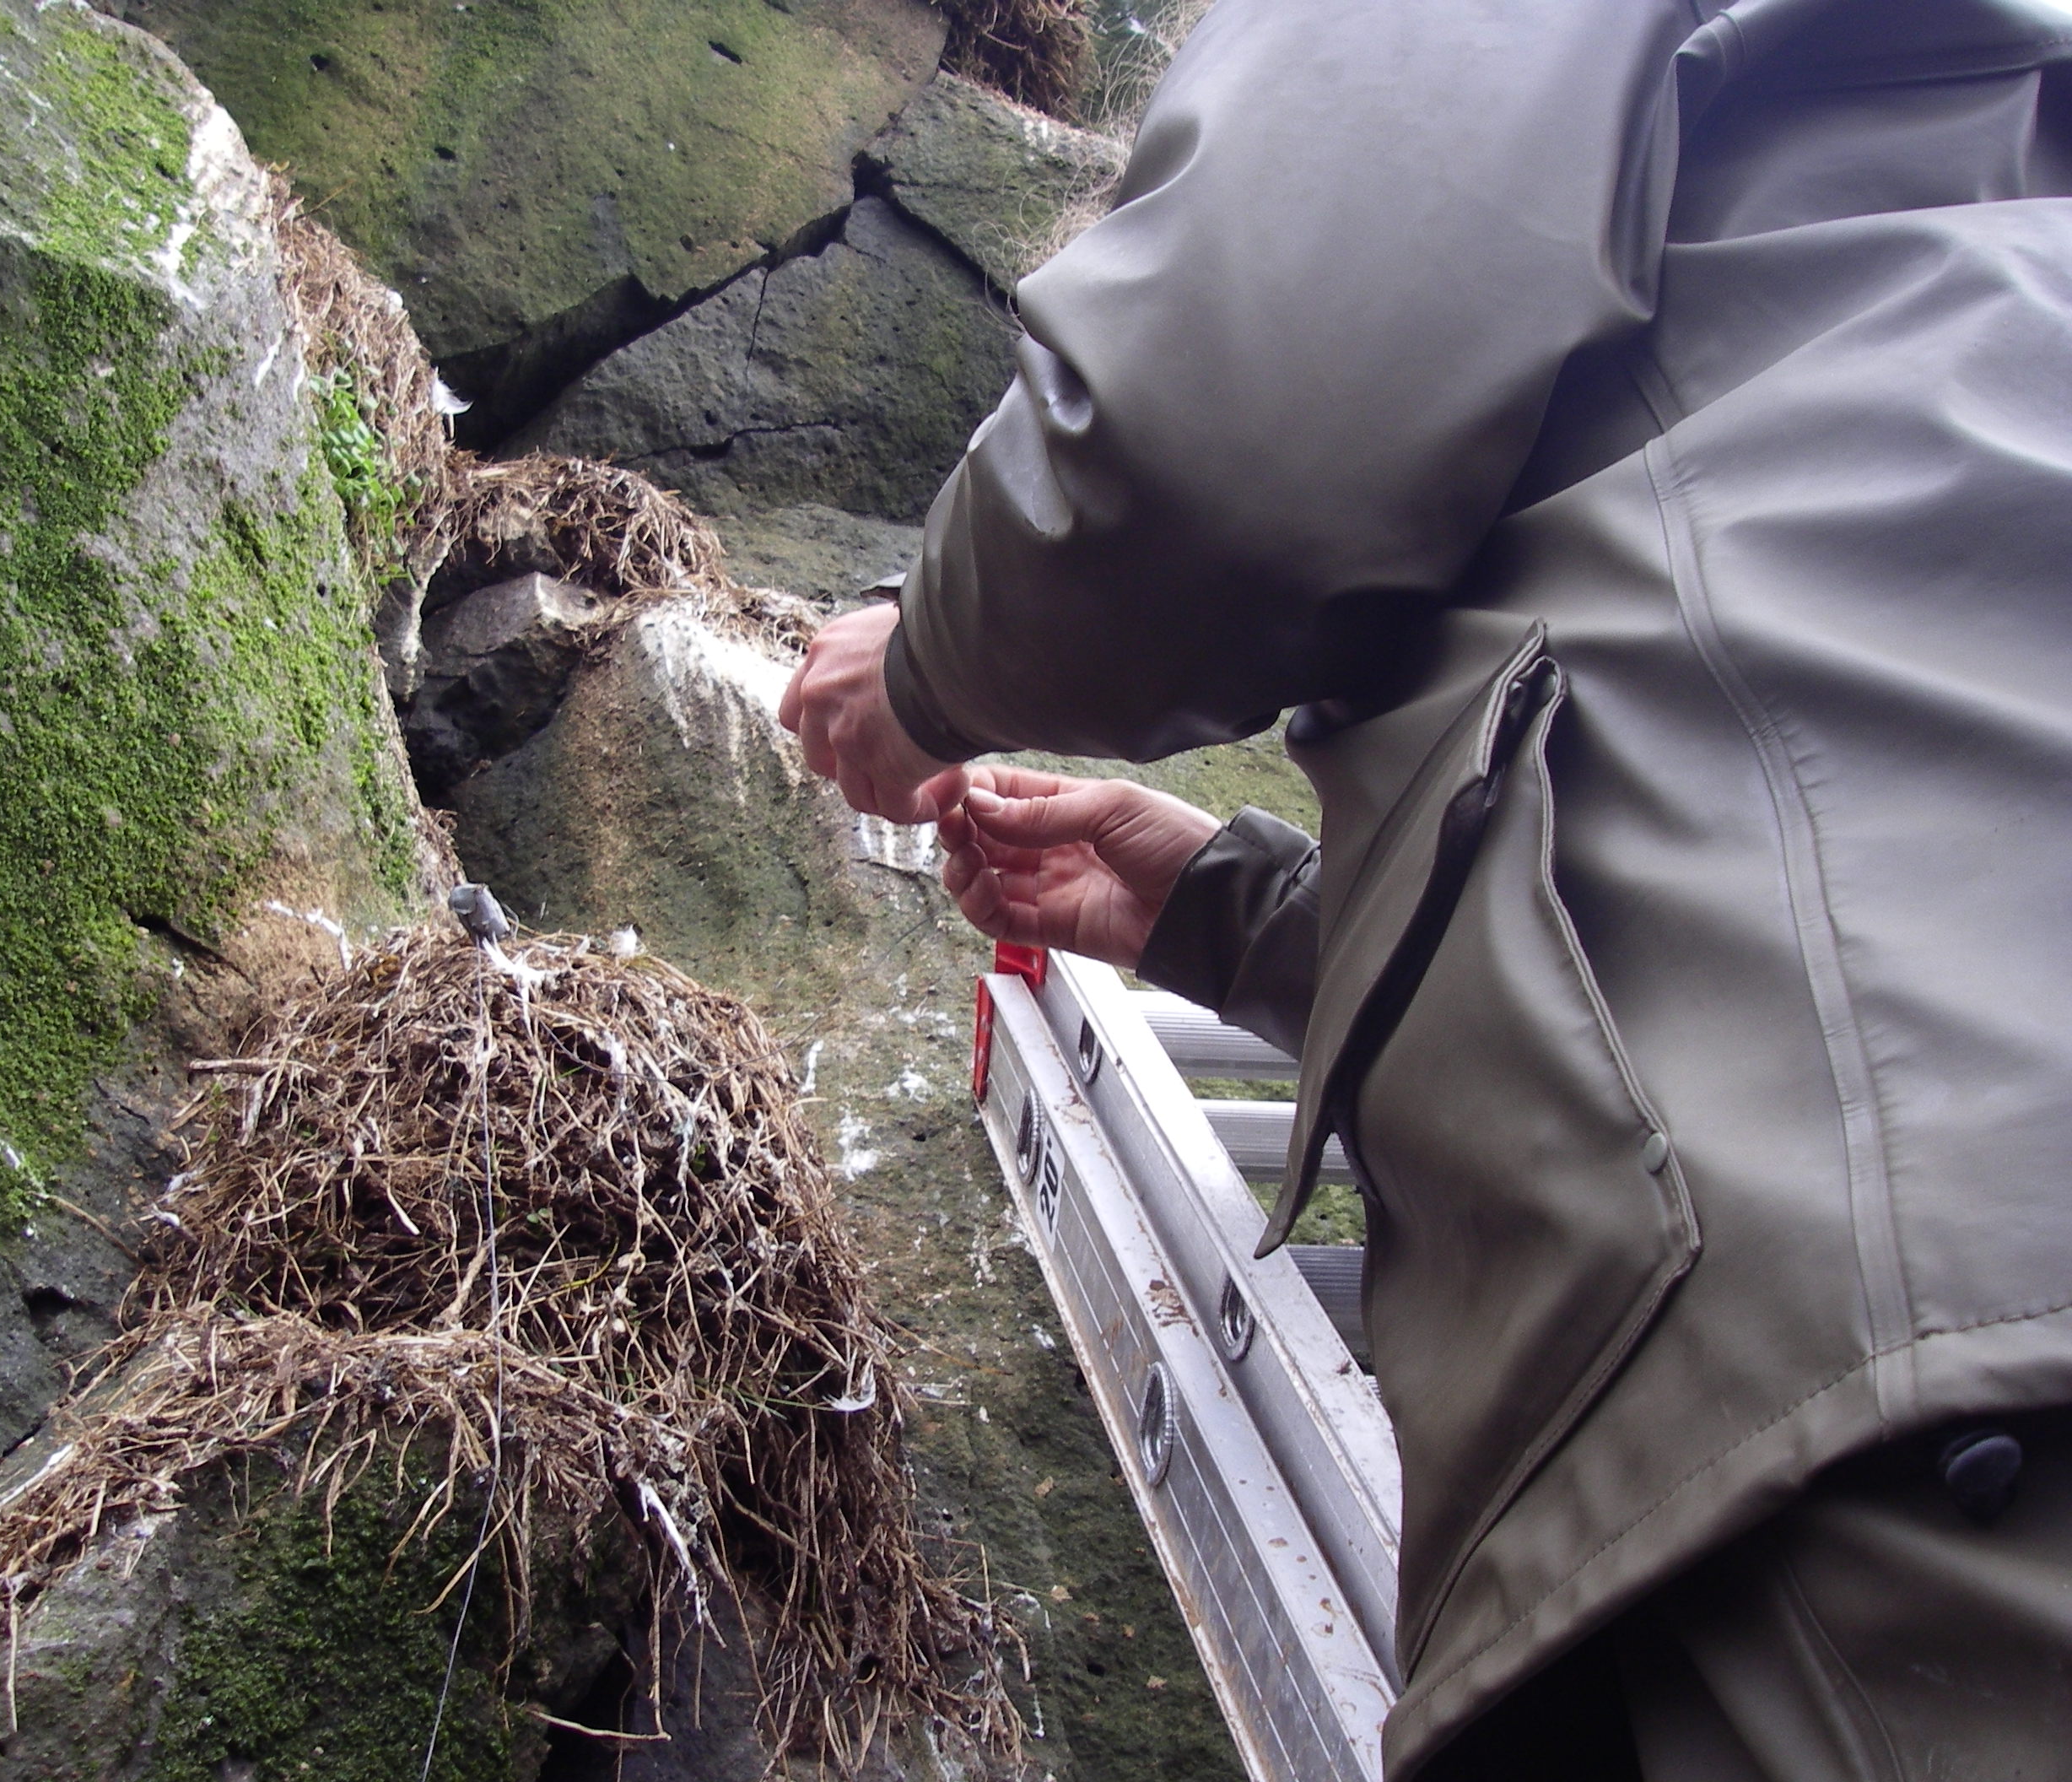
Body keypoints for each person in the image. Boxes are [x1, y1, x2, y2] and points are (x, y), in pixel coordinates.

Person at [778, 1, 2072, 1776]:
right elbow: (1841, 853)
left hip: (1892, 1407)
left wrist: (924, 672)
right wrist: (1222, 908)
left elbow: (1224, 436)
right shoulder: (1960, 245)